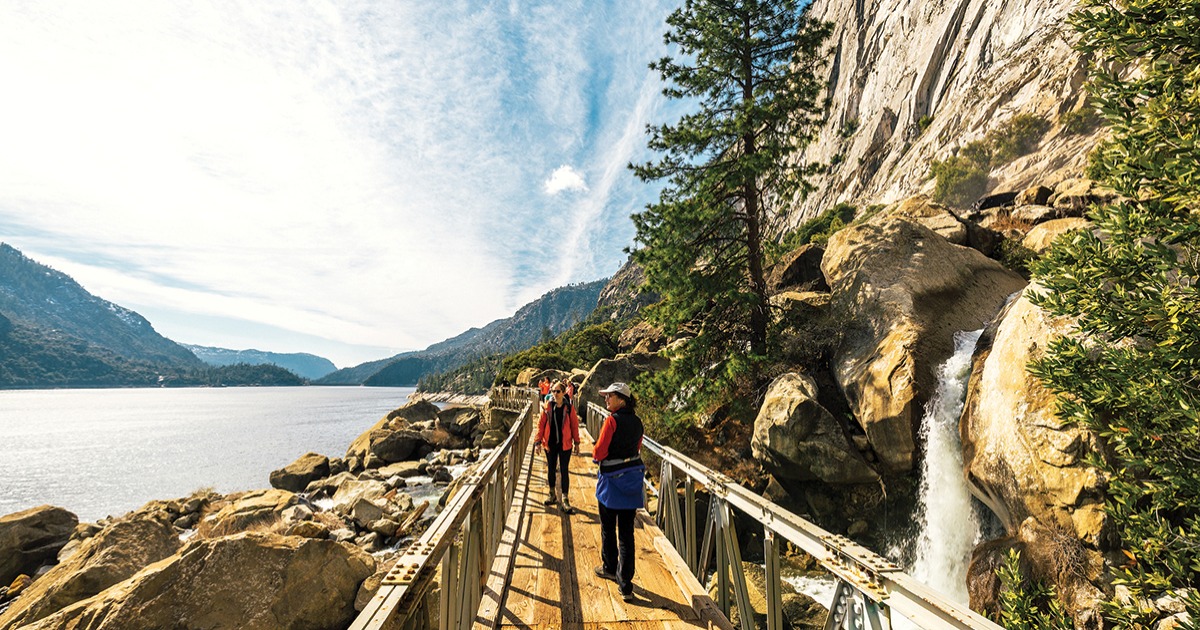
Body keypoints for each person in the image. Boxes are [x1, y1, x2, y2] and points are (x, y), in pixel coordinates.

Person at [592, 382, 644, 602]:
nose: (606, 399)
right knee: (626, 534)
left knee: (608, 528)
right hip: (631, 482)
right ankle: (626, 586)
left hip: (611, 484)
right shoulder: (638, 422)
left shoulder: (612, 421)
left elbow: (599, 452)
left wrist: (598, 456)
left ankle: (610, 567)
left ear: (621, 399)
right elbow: (637, 447)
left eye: (609, 396)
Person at [535, 383, 580, 514]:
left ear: (564, 392)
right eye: (553, 391)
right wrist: (537, 442)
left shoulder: (569, 408)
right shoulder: (547, 407)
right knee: (551, 468)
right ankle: (552, 494)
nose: (555, 394)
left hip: (565, 444)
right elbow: (540, 425)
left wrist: (577, 442)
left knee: (564, 470)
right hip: (550, 443)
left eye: (558, 391)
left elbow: (574, 426)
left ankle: (565, 498)